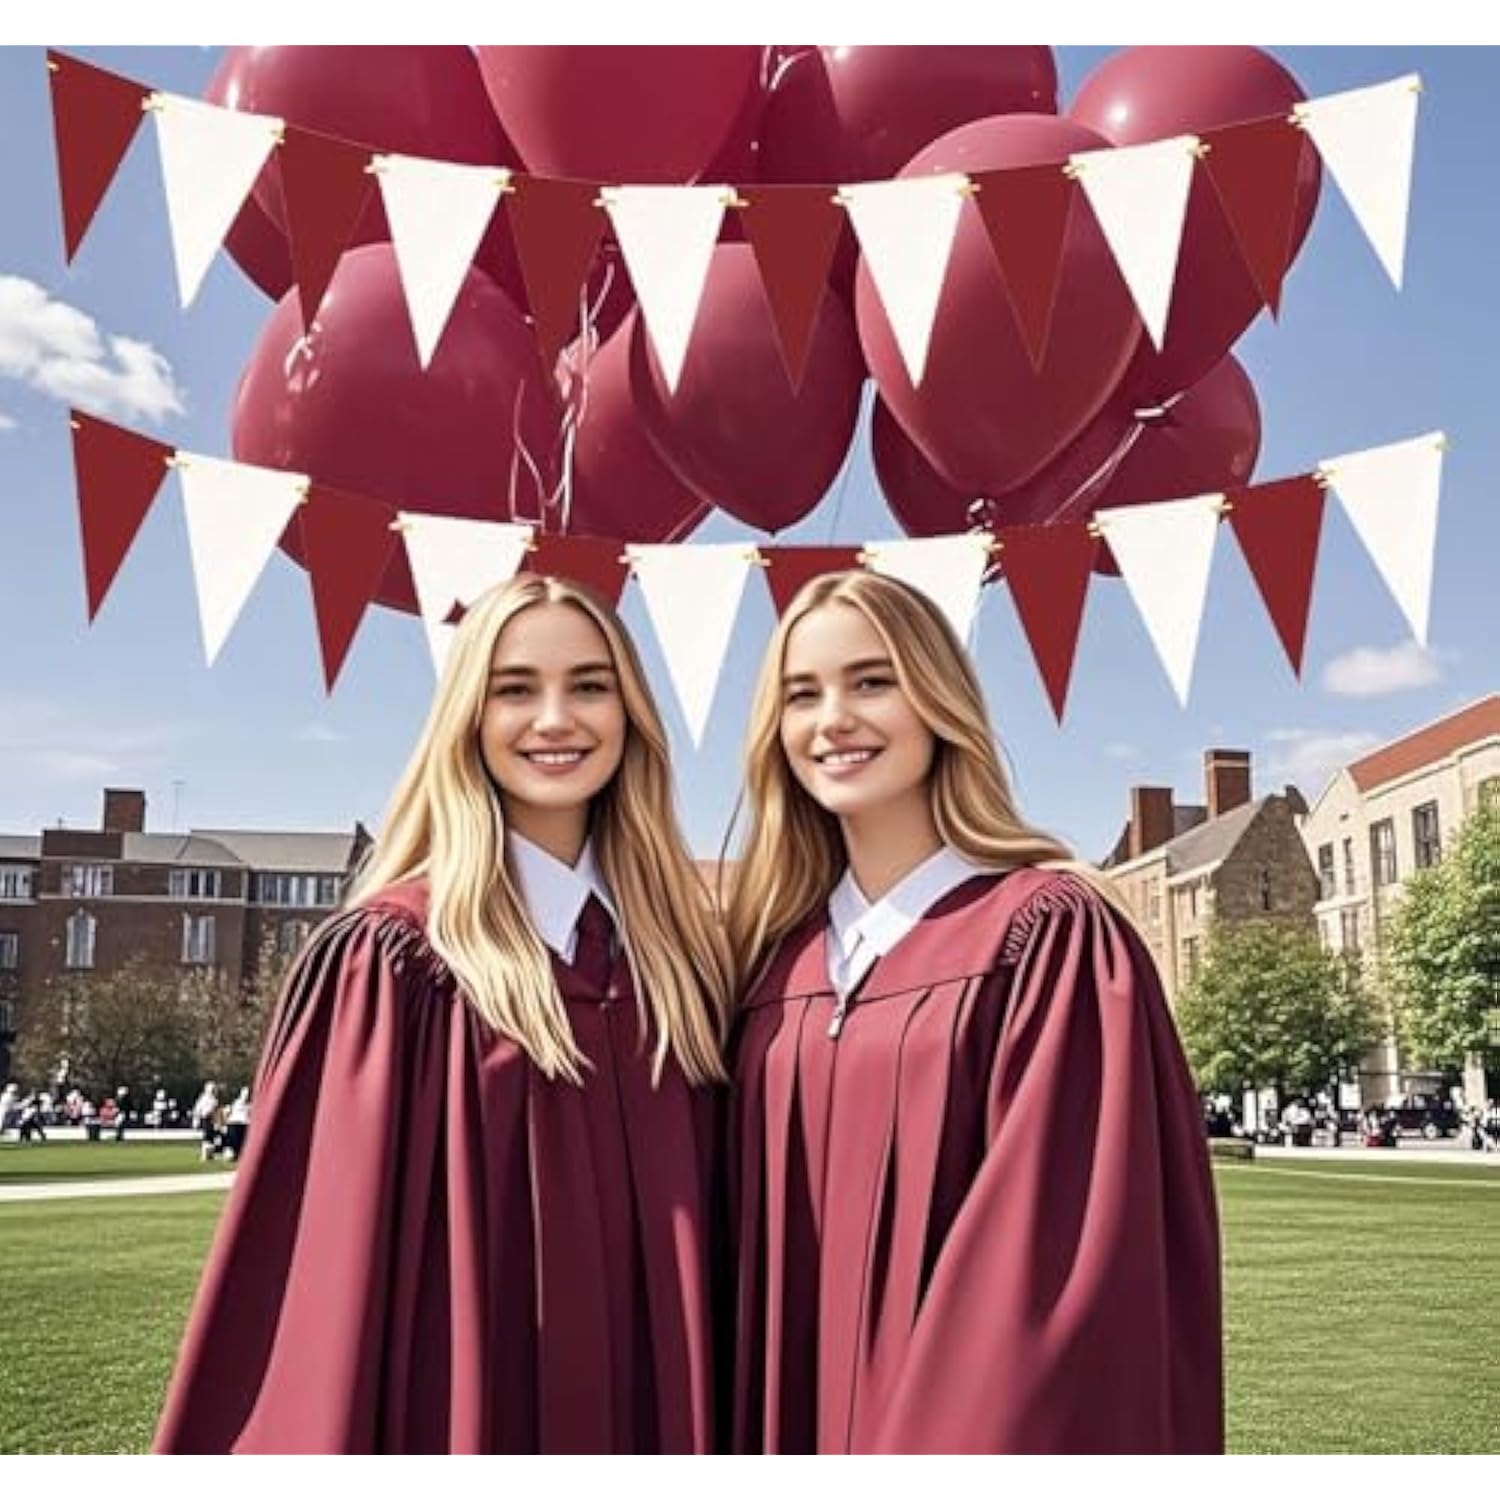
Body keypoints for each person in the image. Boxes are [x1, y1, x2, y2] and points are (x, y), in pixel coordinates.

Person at [155, 574, 731, 1454]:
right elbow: (321, 1287)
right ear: (467, 717)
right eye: (514, 689)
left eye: (589, 686)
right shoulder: (393, 963)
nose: (554, 719)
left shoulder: (677, 968)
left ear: (631, 716)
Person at [722, 571, 1222, 1454]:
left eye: (872, 681)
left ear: (937, 700)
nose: (833, 718)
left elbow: (1058, 1273)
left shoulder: (1047, 936)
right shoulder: (770, 966)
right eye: (802, 694)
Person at [223, 1088, 251, 1161]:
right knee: (234, 1142)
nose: (246, 1096)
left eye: (247, 1094)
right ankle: (233, 1155)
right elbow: (227, 1112)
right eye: (245, 1094)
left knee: (241, 1142)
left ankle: (238, 1155)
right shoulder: (235, 1103)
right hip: (234, 1123)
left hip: (243, 1124)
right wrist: (226, 1122)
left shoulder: (249, 1105)